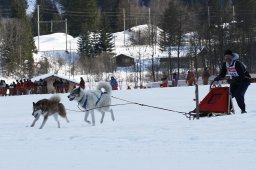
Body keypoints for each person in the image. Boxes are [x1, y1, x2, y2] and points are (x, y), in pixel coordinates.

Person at [214, 49, 251, 113]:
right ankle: (229, 109)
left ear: (232, 56)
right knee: (228, 95)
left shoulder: (237, 63)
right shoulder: (225, 64)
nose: (227, 58)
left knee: (238, 94)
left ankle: (243, 110)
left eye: (228, 56)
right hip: (235, 81)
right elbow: (222, 74)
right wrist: (218, 78)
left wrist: (232, 80)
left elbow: (242, 76)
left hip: (244, 81)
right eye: (226, 56)